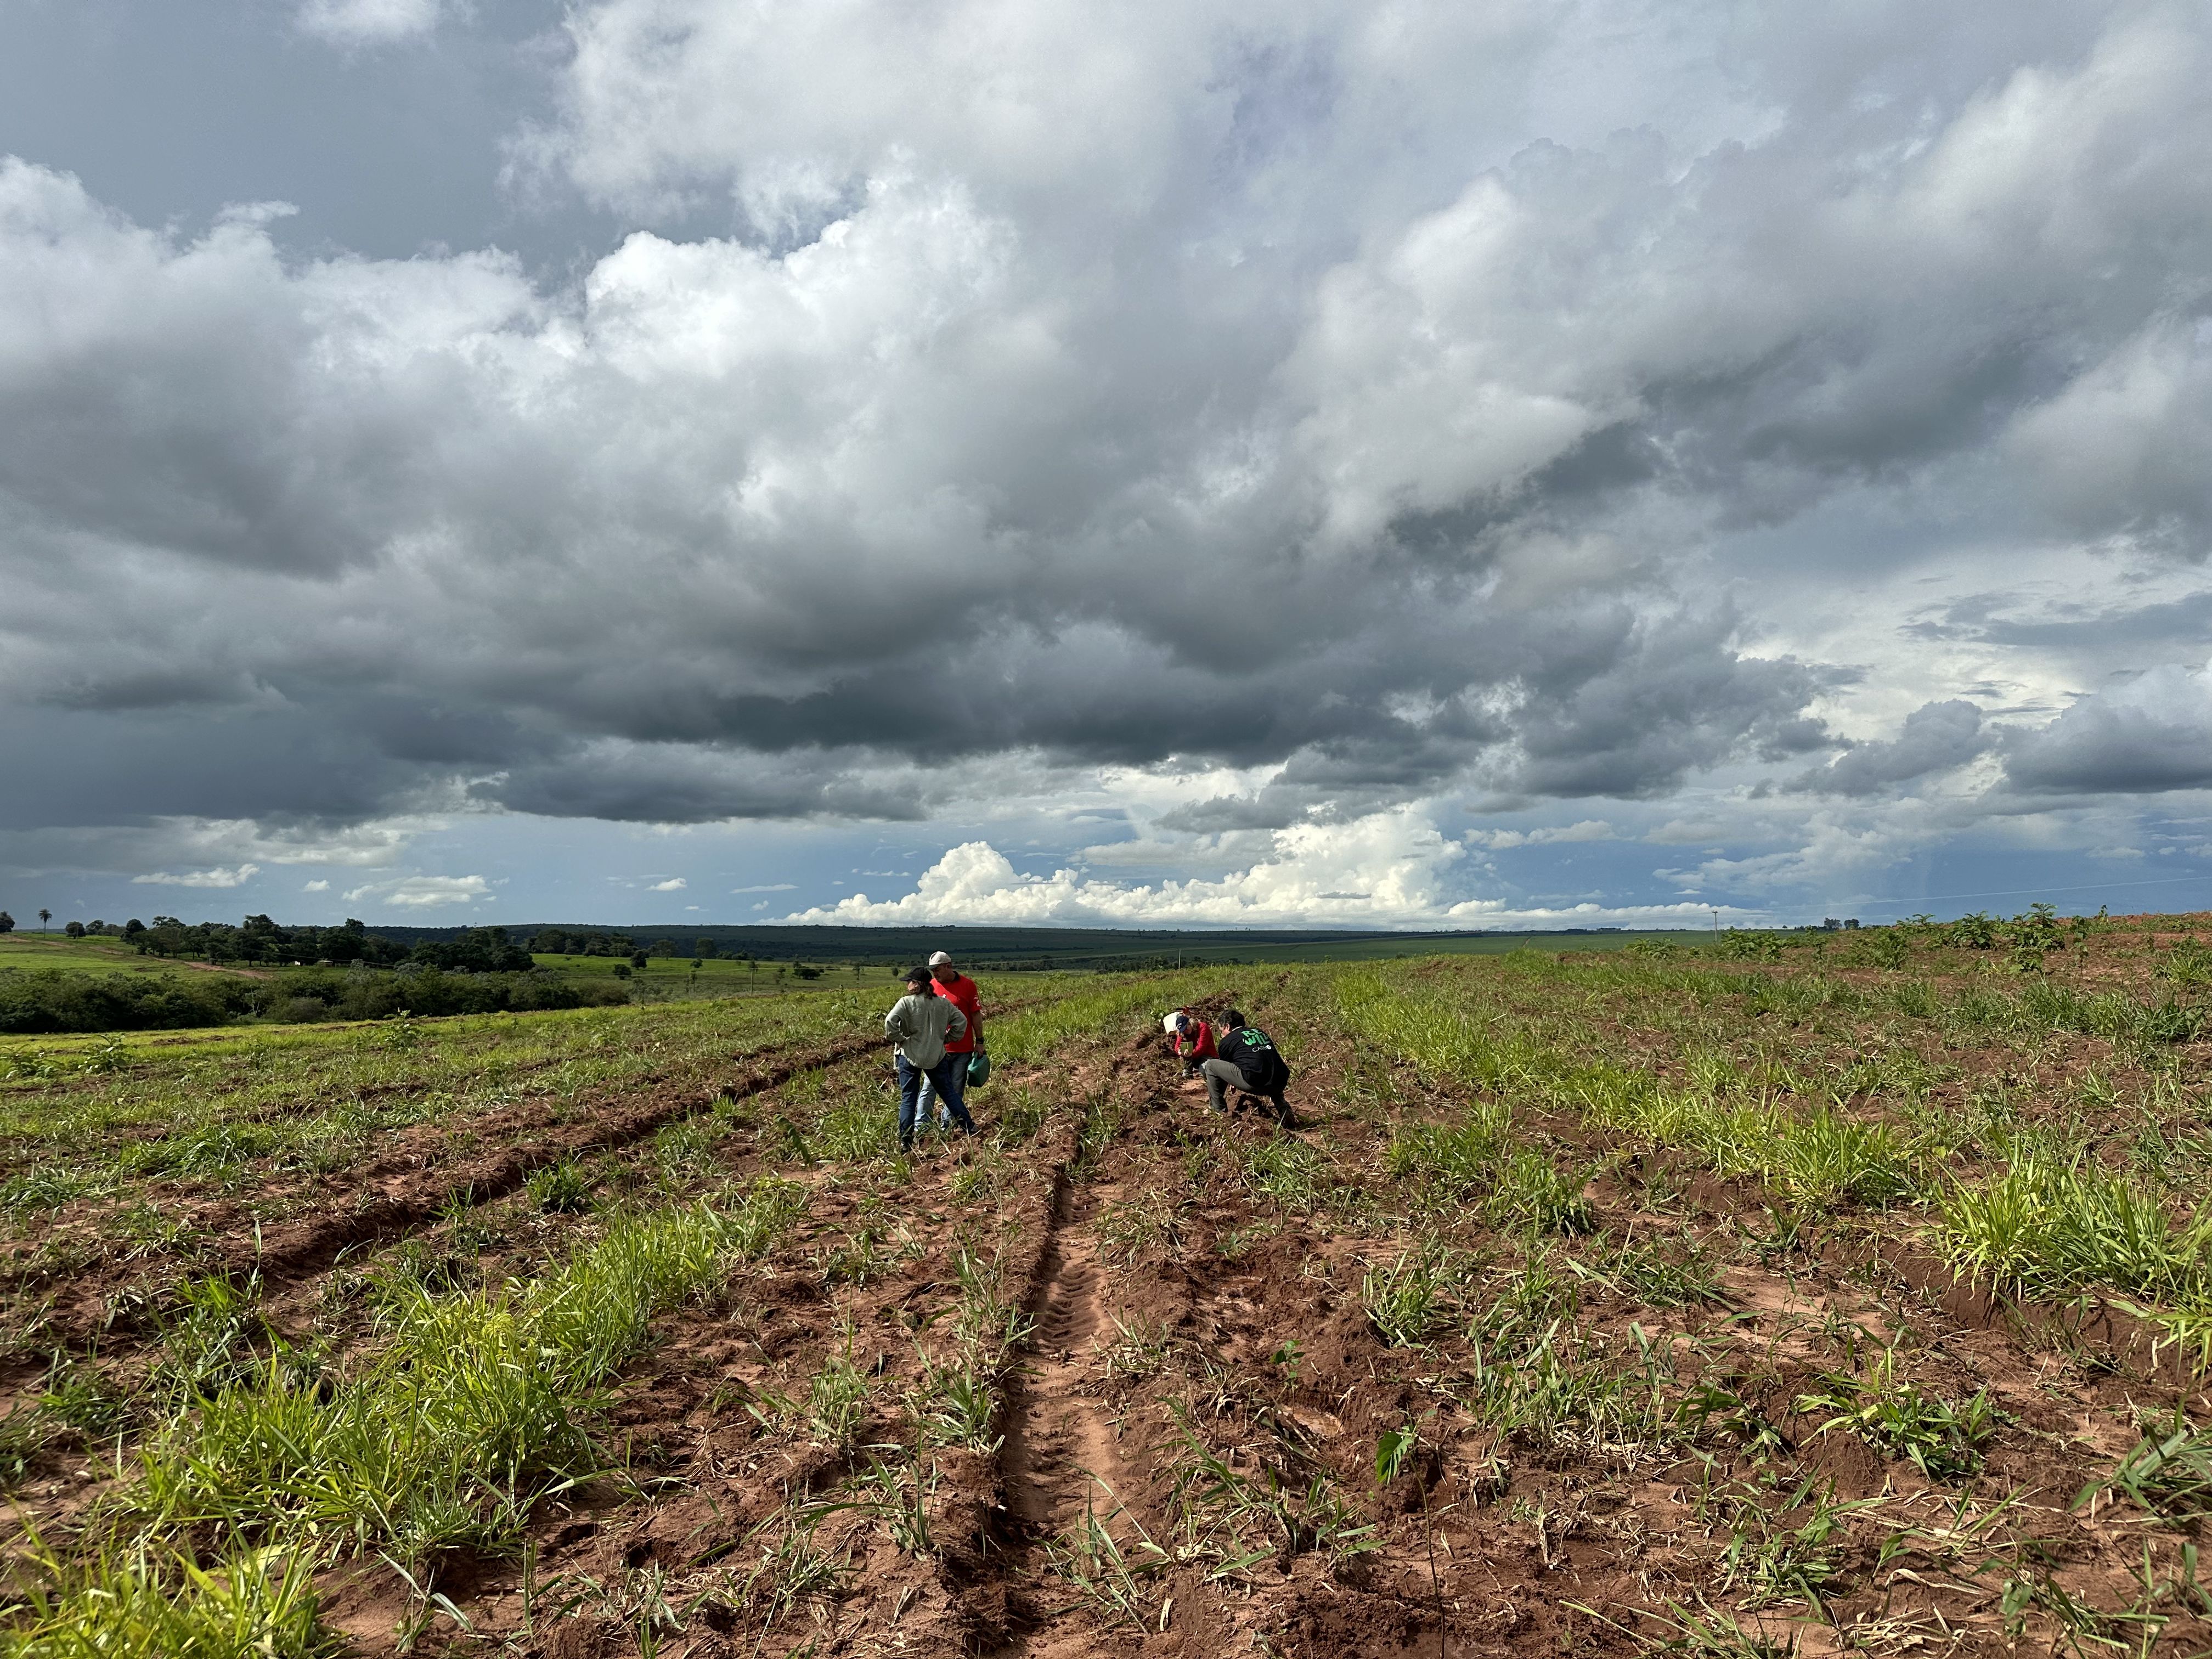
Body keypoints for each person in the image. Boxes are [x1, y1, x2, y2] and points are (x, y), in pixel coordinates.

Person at [884, 966, 973, 1151]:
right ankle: (970, 1127)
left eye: (910, 982)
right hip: (936, 1056)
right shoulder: (943, 1003)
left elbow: (890, 1022)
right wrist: (945, 1039)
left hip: (909, 1056)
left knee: (909, 1098)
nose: (907, 985)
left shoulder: (905, 1003)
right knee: (948, 1093)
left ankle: (906, 1141)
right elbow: (962, 1022)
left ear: (917, 984)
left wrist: (900, 1040)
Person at [919, 950, 983, 1131]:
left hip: (962, 1049)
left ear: (948, 966)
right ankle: (921, 1125)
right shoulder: (931, 986)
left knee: (956, 1089)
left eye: (937, 970)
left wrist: (980, 1041)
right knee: (929, 1088)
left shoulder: (968, 985)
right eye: (932, 970)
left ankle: (946, 1124)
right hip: (936, 1049)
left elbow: (976, 1015)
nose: (935, 974)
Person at [1201, 1008, 1294, 1127]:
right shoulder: (1259, 1032)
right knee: (1270, 1071)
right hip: (1281, 1081)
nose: (1221, 1035)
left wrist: (1232, 1082)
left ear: (1227, 1026)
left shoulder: (1227, 1041)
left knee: (1211, 1065)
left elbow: (1224, 1070)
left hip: (1255, 1082)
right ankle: (1284, 1109)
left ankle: (1218, 1110)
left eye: (1221, 1031)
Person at [1164, 1007, 1215, 1076]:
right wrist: (1179, 1051)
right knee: (1183, 1050)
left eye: (1186, 1028)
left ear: (1190, 1023)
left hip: (1207, 1055)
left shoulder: (1203, 1027)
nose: (1186, 1031)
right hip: (1194, 1057)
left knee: (1205, 1072)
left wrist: (1191, 1054)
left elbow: (1202, 1047)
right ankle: (1187, 1072)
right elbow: (1177, 1045)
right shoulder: (1182, 1033)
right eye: (1183, 1030)